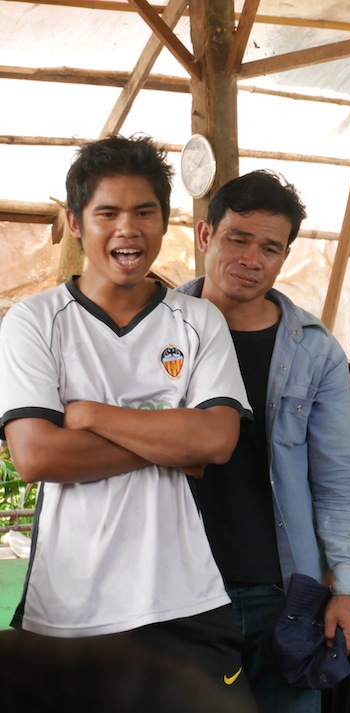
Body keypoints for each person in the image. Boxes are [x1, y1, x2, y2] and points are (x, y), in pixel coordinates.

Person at [0, 135, 252, 702]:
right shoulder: (35, 322)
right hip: (68, 608)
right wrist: (172, 437)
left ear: (165, 222)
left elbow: (217, 439)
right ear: (74, 222)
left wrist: (90, 415)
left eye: (144, 212)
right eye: (106, 213)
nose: (127, 229)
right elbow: (38, 455)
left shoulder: (198, 320)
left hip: (185, 599)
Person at [178, 170, 350, 713]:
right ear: (204, 235)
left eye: (270, 247)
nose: (251, 258)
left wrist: (348, 586)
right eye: (237, 239)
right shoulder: (159, 331)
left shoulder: (315, 351)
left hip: (283, 591)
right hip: (177, 586)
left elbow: (335, 484)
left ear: (284, 256)